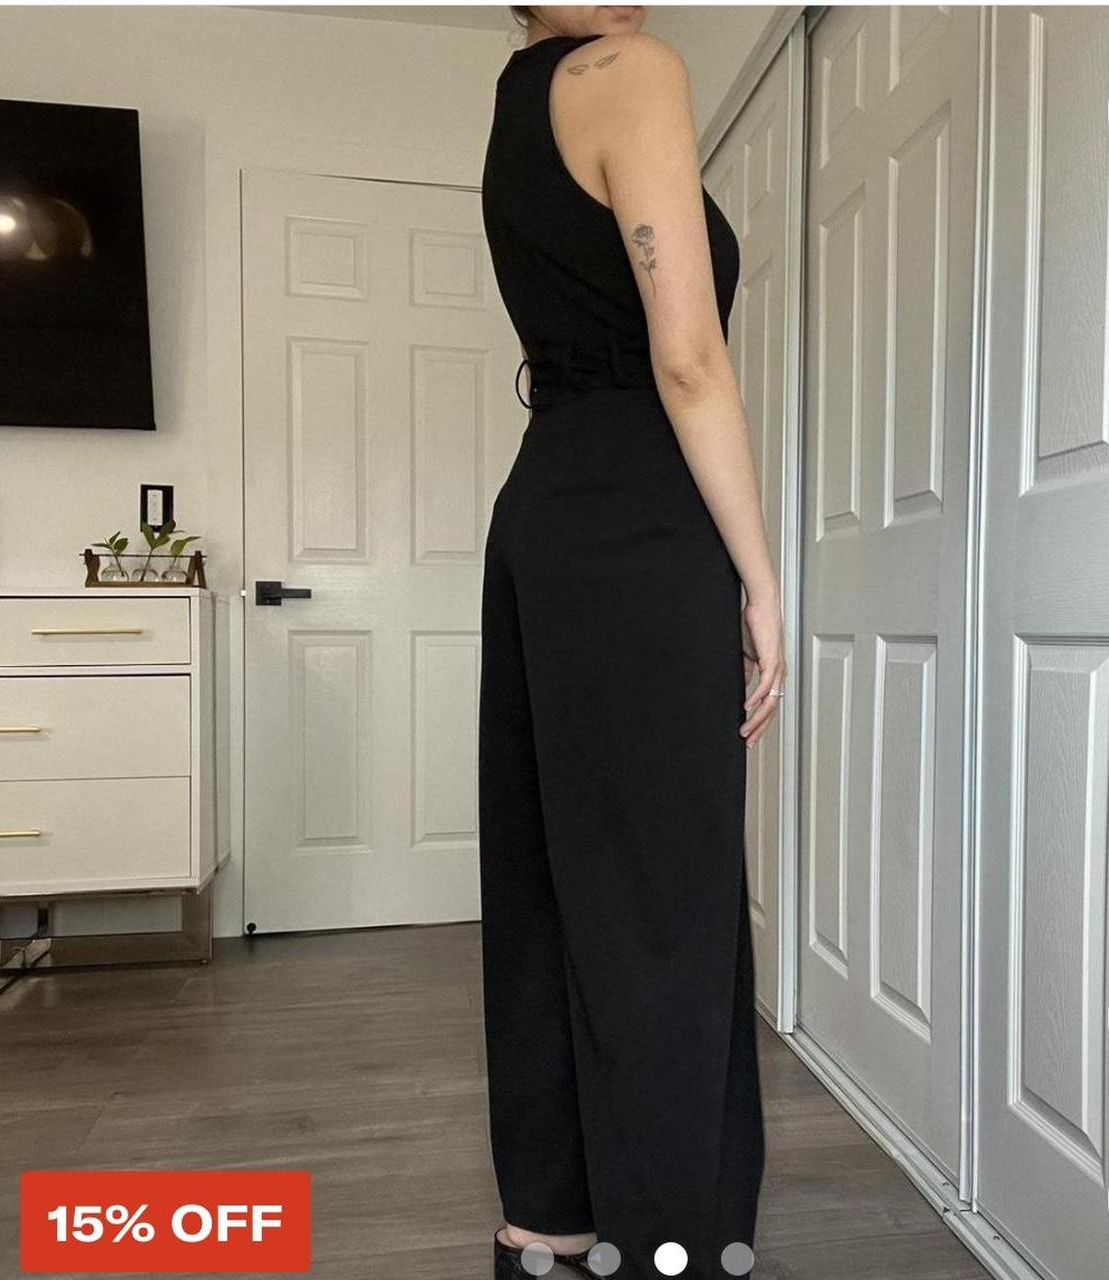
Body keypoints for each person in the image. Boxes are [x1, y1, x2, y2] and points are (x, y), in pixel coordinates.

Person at [479, 7, 785, 1276]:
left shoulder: (518, 96)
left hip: (546, 505)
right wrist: (759, 575)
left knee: (552, 875)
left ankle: (548, 1218)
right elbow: (688, 356)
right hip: (638, 518)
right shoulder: (628, 70)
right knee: (663, 892)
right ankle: (670, 1244)